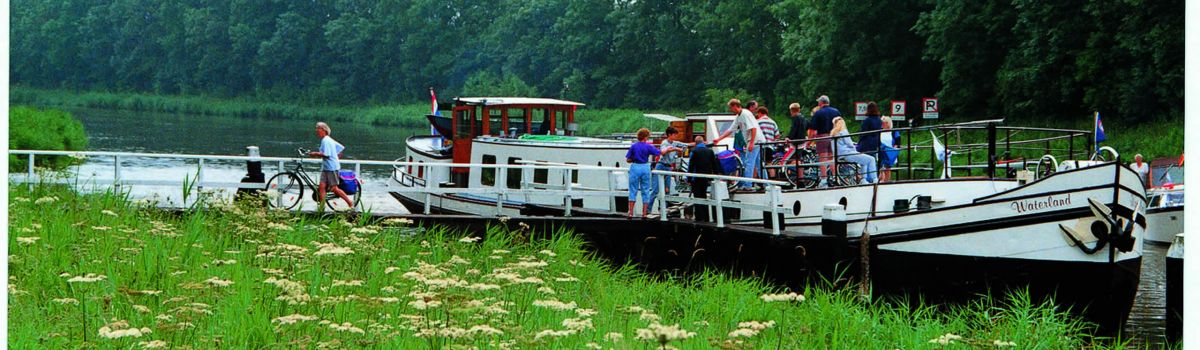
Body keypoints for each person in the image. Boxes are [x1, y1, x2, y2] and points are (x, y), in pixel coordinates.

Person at [714, 99, 762, 189]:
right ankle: (767, 183)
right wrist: (719, 139)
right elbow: (731, 129)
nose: (730, 110)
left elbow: (753, 128)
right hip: (753, 140)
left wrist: (751, 143)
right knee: (758, 164)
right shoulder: (738, 116)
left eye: (730, 108)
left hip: (755, 141)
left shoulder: (745, 114)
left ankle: (747, 185)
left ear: (735, 106)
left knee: (748, 163)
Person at [307, 122, 354, 208]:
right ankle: (322, 207)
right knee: (322, 187)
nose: (316, 130)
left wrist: (315, 153)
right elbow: (340, 148)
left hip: (331, 168)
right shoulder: (328, 139)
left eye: (318, 128)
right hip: (326, 167)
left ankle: (350, 203)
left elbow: (326, 154)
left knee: (334, 188)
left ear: (323, 130)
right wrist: (336, 156)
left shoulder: (326, 140)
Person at [625, 128, 662, 219]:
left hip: (635, 167)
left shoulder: (633, 146)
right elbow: (658, 152)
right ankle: (644, 213)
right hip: (645, 167)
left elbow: (628, 160)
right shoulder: (648, 146)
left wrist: (634, 158)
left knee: (633, 189)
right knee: (645, 190)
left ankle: (630, 213)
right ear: (645, 137)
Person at [648, 127, 686, 211]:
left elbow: (686, 145)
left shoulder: (675, 142)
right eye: (675, 135)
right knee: (655, 189)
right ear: (669, 135)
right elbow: (663, 151)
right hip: (661, 166)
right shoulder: (664, 143)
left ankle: (664, 209)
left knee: (667, 190)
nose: (676, 136)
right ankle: (648, 209)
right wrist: (675, 149)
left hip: (668, 167)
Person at [830, 117, 877, 184]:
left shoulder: (833, 134)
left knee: (864, 162)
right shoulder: (843, 132)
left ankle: (863, 180)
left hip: (839, 156)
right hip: (848, 154)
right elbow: (849, 144)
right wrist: (855, 147)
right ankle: (875, 179)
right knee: (871, 159)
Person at [687, 135, 722, 222]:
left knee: (697, 196)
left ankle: (699, 217)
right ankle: (706, 216)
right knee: (704, 195)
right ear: (703, 142)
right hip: (706, 177)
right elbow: (714, 164)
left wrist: (689, 178)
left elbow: (691, 166)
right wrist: (716, 175)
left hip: (696, 178)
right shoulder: (710, 151)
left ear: (696, 143)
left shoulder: (694, 151)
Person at [808, 95, 840, 186]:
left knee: (823, 158)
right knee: (831, 157)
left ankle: (824, 179)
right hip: (834, 137)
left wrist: (809, 142)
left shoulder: (818, 113)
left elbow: (813, 130)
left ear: (821, 103)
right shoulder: (836, 111)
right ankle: (835, 177)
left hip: (822, 137)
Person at [756, 106, 780, 179]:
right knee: (769, 164)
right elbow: (777, 135)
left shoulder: (758, 122)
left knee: (759, 164)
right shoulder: (773, 122)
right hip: (770, 146)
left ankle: (759, 181)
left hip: (761, 146)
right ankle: (773, 180)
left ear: (760, 112)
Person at [877, 116, 902, 182]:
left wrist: (895, 147)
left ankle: (886, 181)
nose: (882, 124)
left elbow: (898, 142)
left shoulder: (894, 132)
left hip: (890, 152)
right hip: (881, 151)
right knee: (880, 168)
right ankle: (881, 180)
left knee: (887, 168)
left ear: (888, 123)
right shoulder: (879, 132)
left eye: (883, 123)